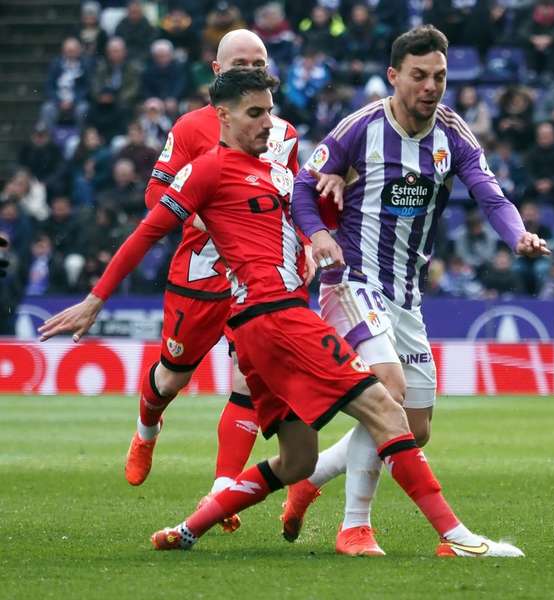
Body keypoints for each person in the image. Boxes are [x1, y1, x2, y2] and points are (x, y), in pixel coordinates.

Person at [38, 68, 523, 559]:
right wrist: (96, 299)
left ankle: (187, 528)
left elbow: (318, 216)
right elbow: (148, 230)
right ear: (222, 117)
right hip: (276, 316)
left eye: (270, 110)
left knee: (297, 460)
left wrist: (333, 191)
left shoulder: (277, 172)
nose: (268, 122)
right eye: (255, 113)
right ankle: (457, 538)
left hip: (260, 327)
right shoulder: (207, 168)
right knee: (384, 409)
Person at [291, 25, 549, 556]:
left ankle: (310, 477)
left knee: (414, 427)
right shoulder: (360, 127)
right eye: (419, 76)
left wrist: (518, 233)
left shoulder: (453, 134)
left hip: (406, 295)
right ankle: (355, 528)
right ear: (394, 77)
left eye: (440, 76)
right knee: (387, 390)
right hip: (352, 281)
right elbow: (302, 189)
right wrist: (318, 236)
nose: (431, 86)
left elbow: (489, 194)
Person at [121, 31, 309, 534]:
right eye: (240, 63)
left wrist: (305, 248)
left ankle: (222, 490)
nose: (252, 69)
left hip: (255, 276)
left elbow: (293, 201)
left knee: (248, 382)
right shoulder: (190, 128)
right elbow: (154, 194)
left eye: (260, 61)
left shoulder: (283, 132)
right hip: (199, 272)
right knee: (172, 376)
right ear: (216, 70)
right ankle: (146, 429)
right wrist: (201, 214)